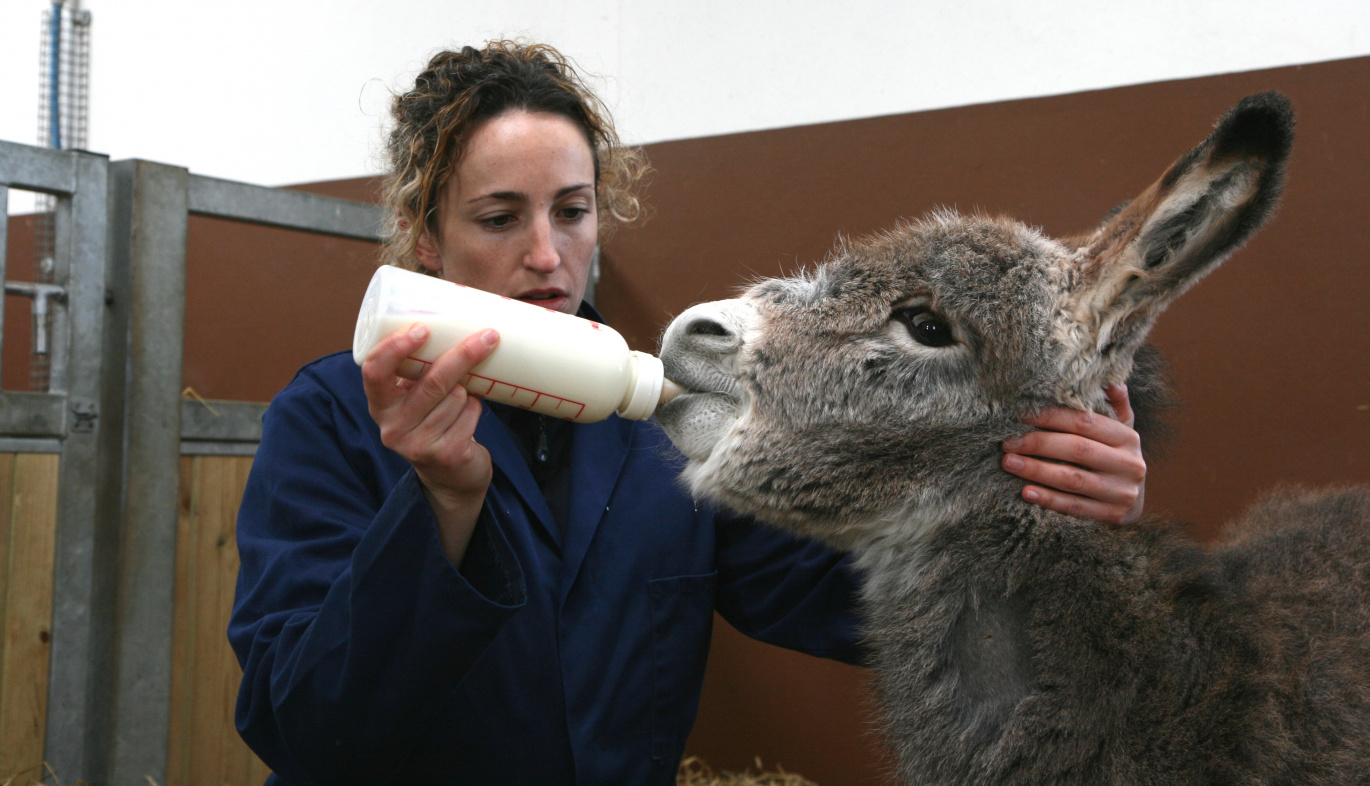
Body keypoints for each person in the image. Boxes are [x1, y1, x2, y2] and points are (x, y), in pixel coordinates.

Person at [229, 41, 1150, 785]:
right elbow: (304, 728)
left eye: (574, 210)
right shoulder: (331, 421)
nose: (549, 255)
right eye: (500, 218)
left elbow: (870, 608)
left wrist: (1052, 510)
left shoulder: (672, 414)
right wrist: (441, 506)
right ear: (427, 235)